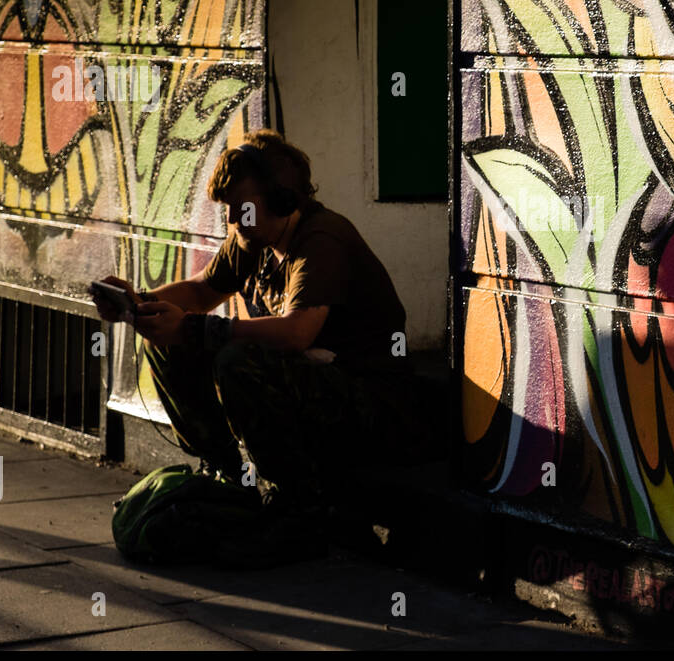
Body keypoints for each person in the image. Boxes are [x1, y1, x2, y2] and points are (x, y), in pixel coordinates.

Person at [90, 129, 435, 518]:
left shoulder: (323, 239)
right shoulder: (254, 237)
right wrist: (141, 303)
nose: (234, 220)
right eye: (229, 210)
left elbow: (295, 332)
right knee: (167, 343)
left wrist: (194, 328)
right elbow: (204, 291)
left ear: (282, 199)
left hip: (374, 406)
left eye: (243, 208)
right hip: (320, 389)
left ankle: (298, 497)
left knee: (236, 359)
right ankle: (233, 476)